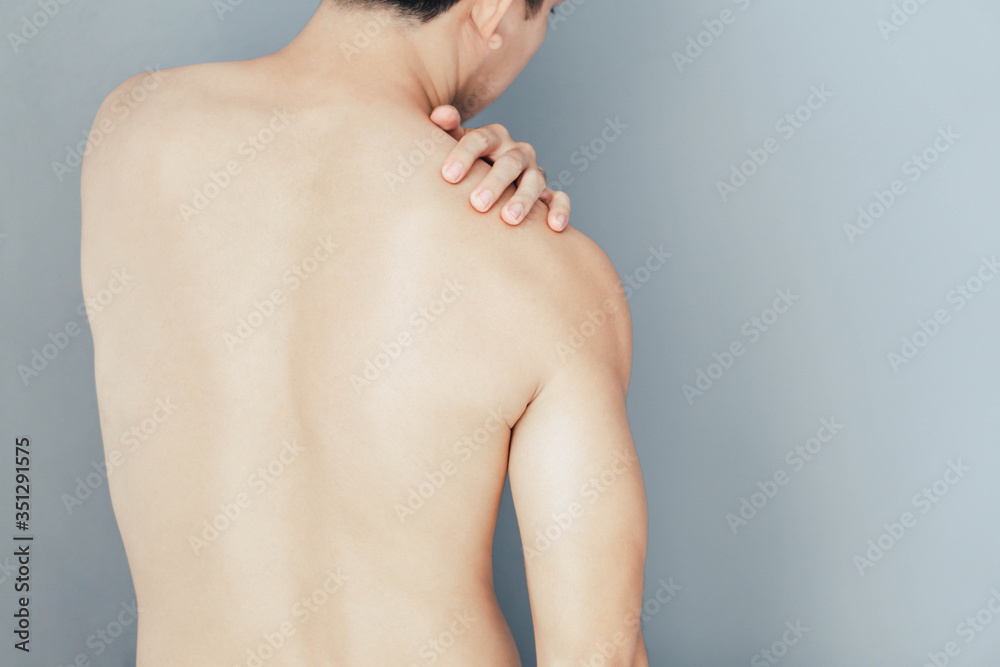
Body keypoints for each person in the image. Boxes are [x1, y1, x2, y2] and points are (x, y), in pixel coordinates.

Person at [80, 0, 648, 664]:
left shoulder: (131, 130)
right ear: (494, 8)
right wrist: (524, 237)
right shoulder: (554, 274)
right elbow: (598, 656)